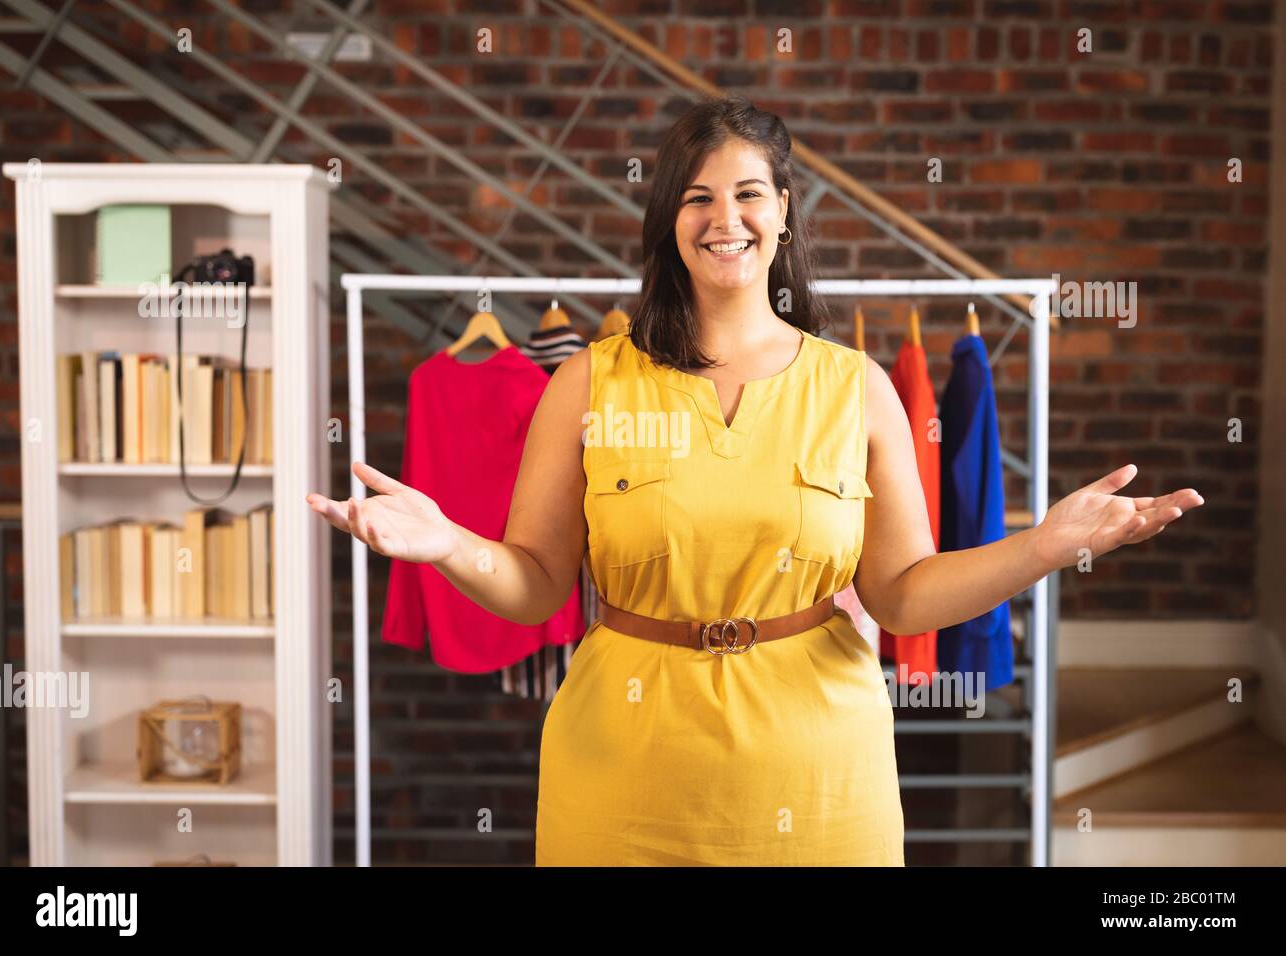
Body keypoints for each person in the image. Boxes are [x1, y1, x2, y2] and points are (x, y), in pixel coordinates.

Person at [307, 97, 1203, 866]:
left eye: (744, 193)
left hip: (818, 790)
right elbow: (537, 582)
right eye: (695, 198)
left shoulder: (858, 388)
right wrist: (449, 544)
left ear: (781, 211)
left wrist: (1043, 547)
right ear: (669, 222)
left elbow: (901, 596)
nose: (721, 217)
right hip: (621, 782)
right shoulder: (591, 380)